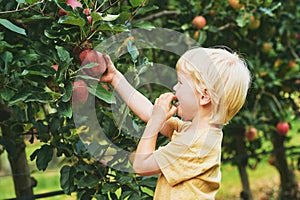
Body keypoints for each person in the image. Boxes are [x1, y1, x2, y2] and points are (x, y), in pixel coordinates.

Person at [100, 47, 251, 199]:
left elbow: (141, 165)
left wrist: (155, 121)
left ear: (204, 96)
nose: (174, 88)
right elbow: (148, 112)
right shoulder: (196, 133)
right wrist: (115, 77)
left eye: (180, 83)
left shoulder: (195, 144)